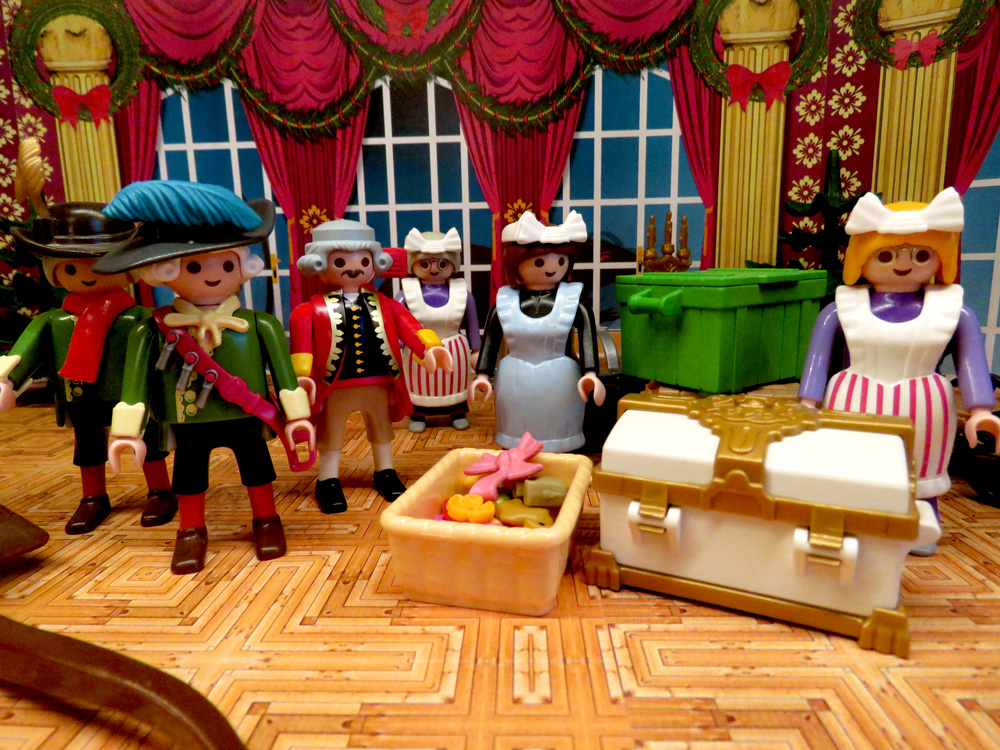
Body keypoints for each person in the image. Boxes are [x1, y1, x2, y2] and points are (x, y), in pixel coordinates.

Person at [94, 180, 315, 574]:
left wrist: (298, 415)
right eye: (194, 266)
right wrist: (126, 430)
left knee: (257, 469)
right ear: (163, 270)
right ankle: (191, 530)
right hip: (189, 420)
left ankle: (267, 521)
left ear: (243, 267)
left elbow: (285, 377)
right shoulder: (153, 329)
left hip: (245, 415)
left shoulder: (259, 325)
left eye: (227, 264)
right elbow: (134, 384)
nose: (213, 275)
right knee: (189, 476)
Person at [799, 187, 1000, 555]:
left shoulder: (952, 310)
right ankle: (849, 519)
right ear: (861, 258)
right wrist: (808, 403)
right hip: (854, 400)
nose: (903, 264)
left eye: (921, 254)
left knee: (921, 469)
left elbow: (971, 360)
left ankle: (921, 521)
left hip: (923, 402)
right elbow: (817, 359)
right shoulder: (840, 308)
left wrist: (981, 410)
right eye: (886, 254)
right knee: (850, 465)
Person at [0, 202, 176, 534]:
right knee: (88, 447)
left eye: (101, 265)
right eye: (70, 268)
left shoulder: (138, 318)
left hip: (134, 394)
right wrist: (8, 380)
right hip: (82, 395)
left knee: (149, 443)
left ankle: (160, 490)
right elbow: (28, 348)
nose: (86, 274)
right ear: (54, 271)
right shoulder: (56, 321)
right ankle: (93, 496)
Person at [289, 219, 452, 514]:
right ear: (319, 265)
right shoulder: (309, 311)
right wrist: (301, 377)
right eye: (340, 262)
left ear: (374, 264)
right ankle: (327, 480)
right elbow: (302, 349)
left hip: (378, 381)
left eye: (363, 261)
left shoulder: (387, 304)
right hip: (334, 385)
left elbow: (411, 328)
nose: (354, 269)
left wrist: (430, 347)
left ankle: (385, 472)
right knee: (331, 434)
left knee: (382, 430)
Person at [469, 210, 605, 452]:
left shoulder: (574, 302)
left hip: (561, 378)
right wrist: (482, 376)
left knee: (559, 428)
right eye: (539, 262)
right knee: (516, 431)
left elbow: (587, 338)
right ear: (515, 263)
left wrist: (591, 373)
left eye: (561, 261)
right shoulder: (505, 301)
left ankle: (560, 455)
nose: (552, 268)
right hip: (514, 379)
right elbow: (491, 340)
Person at [395, 227, 480, 432]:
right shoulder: (405, 295)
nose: (434, 269)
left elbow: (472, 325)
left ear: (453, 264)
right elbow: (398, 324)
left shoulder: (463, 294)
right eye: (425, 264)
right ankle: (418, 413)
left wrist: (476, 351)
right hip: (418, 350)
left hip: (454, 347)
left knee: (454, 381)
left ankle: (457, 411)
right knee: (420, 384)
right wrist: (397, 347)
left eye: (442, 263)